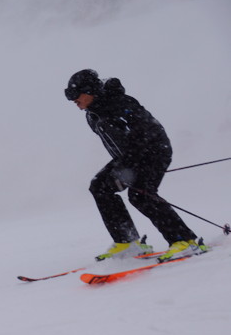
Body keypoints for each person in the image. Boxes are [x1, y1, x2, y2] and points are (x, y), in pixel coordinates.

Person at [64, 69, 206, 262]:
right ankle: (127, 242)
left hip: (153, 152)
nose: (74, 101)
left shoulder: (120, 104)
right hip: (128, 159)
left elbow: (145, 133)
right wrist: (124, 165)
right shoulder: (92, 113)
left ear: (89, 91)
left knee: (140, 195)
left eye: (75, 95)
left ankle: (184, 241)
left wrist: (133, 167)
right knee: (100, 187)